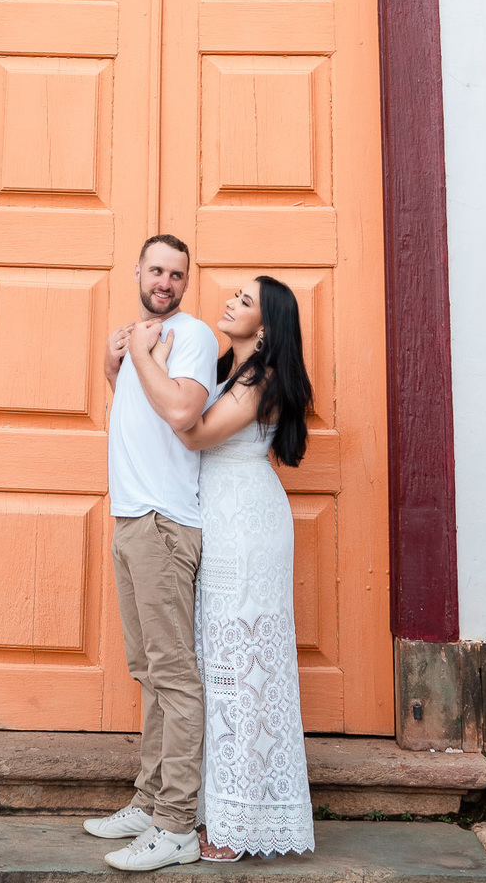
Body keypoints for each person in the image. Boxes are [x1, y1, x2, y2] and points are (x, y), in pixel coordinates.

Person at [153, 276, 315, 862]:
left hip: (247, 528)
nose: (230, 303)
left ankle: (239, 822)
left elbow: (193, 432)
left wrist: (151, 364)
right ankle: (215, 809)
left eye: (245, 302)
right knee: (219, 666)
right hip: (219, 522)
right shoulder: (229, 371)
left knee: (243, 670)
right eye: (235, 296)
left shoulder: (262, 378)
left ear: (266, 327)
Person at [84, 234, 220, 873]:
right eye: (157, 270)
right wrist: (117, 368)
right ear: (137, 271)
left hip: (166, 525)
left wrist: (139, 354)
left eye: (177, 274)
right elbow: (136, 418)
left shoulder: (189, 336)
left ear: (186, 282)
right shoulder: (138, 340)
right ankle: (148, 802)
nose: (165, 281)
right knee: (148, 670)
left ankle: (177, 825)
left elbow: (184, 411)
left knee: (174, 675)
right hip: (133, 521)